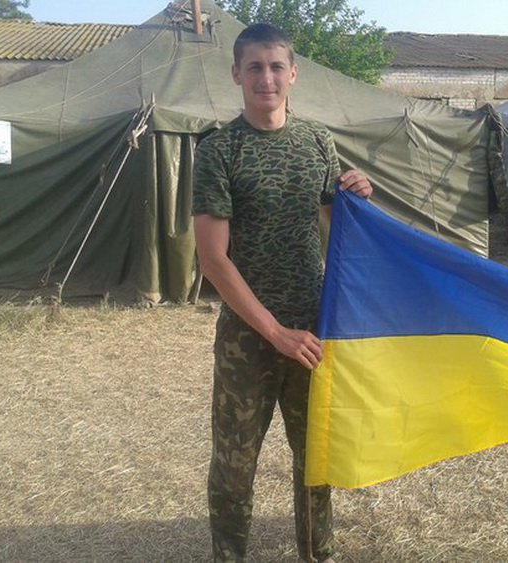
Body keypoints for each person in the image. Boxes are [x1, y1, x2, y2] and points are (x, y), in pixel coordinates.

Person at [192, 23, 372, 563]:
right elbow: (213, 260)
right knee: (234, 466)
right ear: (236, 74)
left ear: (293, 74)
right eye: (254, 67)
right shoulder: (218, 151)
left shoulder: (317, 141)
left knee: (315, 459)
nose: (265, 78)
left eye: (275, 67)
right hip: (248, 338)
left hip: (313, 330)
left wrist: (357, 196)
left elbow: (338, 227)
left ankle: (317, 553)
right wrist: (275, 333)